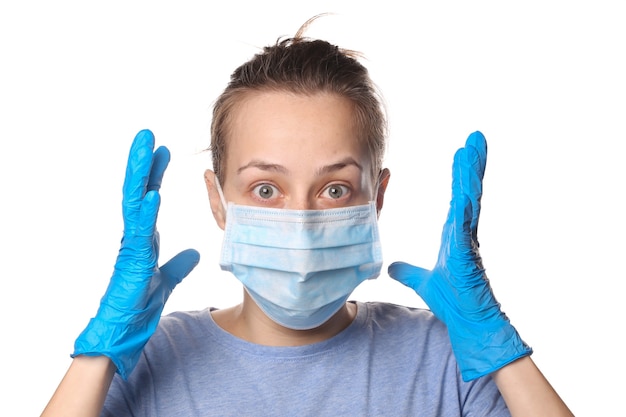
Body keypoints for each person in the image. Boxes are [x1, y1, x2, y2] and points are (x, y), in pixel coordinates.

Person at [41, 17, 574, 417]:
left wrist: (502, 351)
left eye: (335, 188)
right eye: (266, 188)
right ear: (217, 200)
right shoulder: (150, 362)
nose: (300, 222)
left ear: (377, 198)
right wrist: (99, 355)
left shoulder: (446, 364)